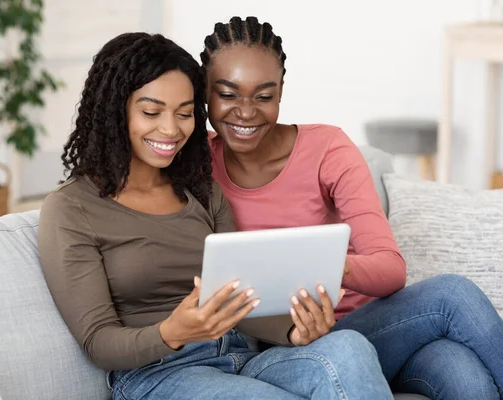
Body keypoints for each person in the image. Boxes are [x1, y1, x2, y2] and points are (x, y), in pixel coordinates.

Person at [38, 32, 395, 400]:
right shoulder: (71, 209)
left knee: (348, 347)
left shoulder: (202, 190)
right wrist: (172, 331)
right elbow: (98, 342)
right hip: (161, 374)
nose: (171, 129)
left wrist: (294, 332)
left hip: (243, 358)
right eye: (151, 111)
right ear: (115, 111)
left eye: (185, 113)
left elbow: (243, 305)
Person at [201, 16, 503, 400]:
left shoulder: (327, 148)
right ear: (205, 93)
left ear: (280, 92)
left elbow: (391, 270)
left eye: (264, 96)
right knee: (455, 314)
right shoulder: (194, 164)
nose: (246, 112)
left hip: (370, 327)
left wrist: (323, 264)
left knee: (464, 370)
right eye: (228, 94)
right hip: (287, 347)